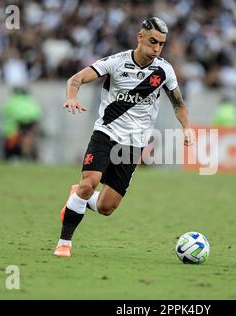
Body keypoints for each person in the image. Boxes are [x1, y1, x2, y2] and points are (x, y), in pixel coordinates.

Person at [54, 17, 192, 257]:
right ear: (140, 37)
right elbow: (76, 79)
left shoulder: (164, 70)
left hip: (134, 144)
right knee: (89, 183)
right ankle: (64, 242)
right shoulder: (116, 63)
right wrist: (72, 96)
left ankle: (78, 196)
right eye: (152, 42)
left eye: (161, 44)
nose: (156, 49)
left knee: (107, 207)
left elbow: (178, 104)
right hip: (106, 133)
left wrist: (187, 128)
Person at [1, 87, 42, 161]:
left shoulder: (12, 101)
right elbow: (37, 113)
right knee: (28, 141)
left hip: (14, 126)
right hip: (30, 123)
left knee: (12, 143)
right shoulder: (31, 101)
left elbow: (5, 112)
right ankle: (27, 157)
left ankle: (12, 158)